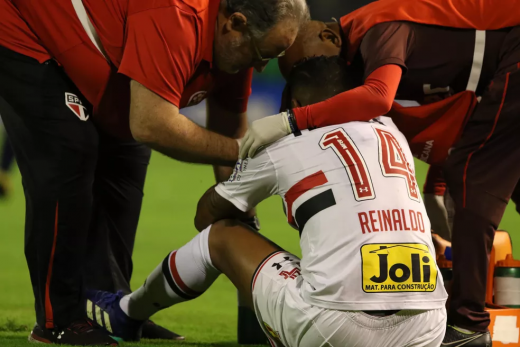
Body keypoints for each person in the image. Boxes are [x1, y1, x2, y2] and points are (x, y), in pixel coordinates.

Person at [0, 0, 308, 345]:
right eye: (261, 53)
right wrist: (245, 153)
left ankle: (110, 310)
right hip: (24, 30)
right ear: (233, 22)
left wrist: (244, 220)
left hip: (92, 52)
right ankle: (58, 319)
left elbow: (227, 131)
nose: (261, 64)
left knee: (127, 164)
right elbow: (152, 124)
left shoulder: (240, 46)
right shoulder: (177, 16)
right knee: (69, 151)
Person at [85, 56, 448, 346]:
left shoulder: (288, 144)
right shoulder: (391, 132)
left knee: (222, 235)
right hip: (428, 327)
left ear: (295, 103)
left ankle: (125, 313)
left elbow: (205, 216)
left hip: (337, 328)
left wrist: (239, 189)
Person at [239, 0, 520, 345]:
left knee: (472, 174)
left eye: (310, 63)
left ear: (329, 35)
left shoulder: (378, 27)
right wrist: (438, 182)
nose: (313, 76)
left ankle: (468, 326)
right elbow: (464, 116)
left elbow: (379, 98)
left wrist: (293, 119)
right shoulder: (388, 59)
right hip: (508, 62)